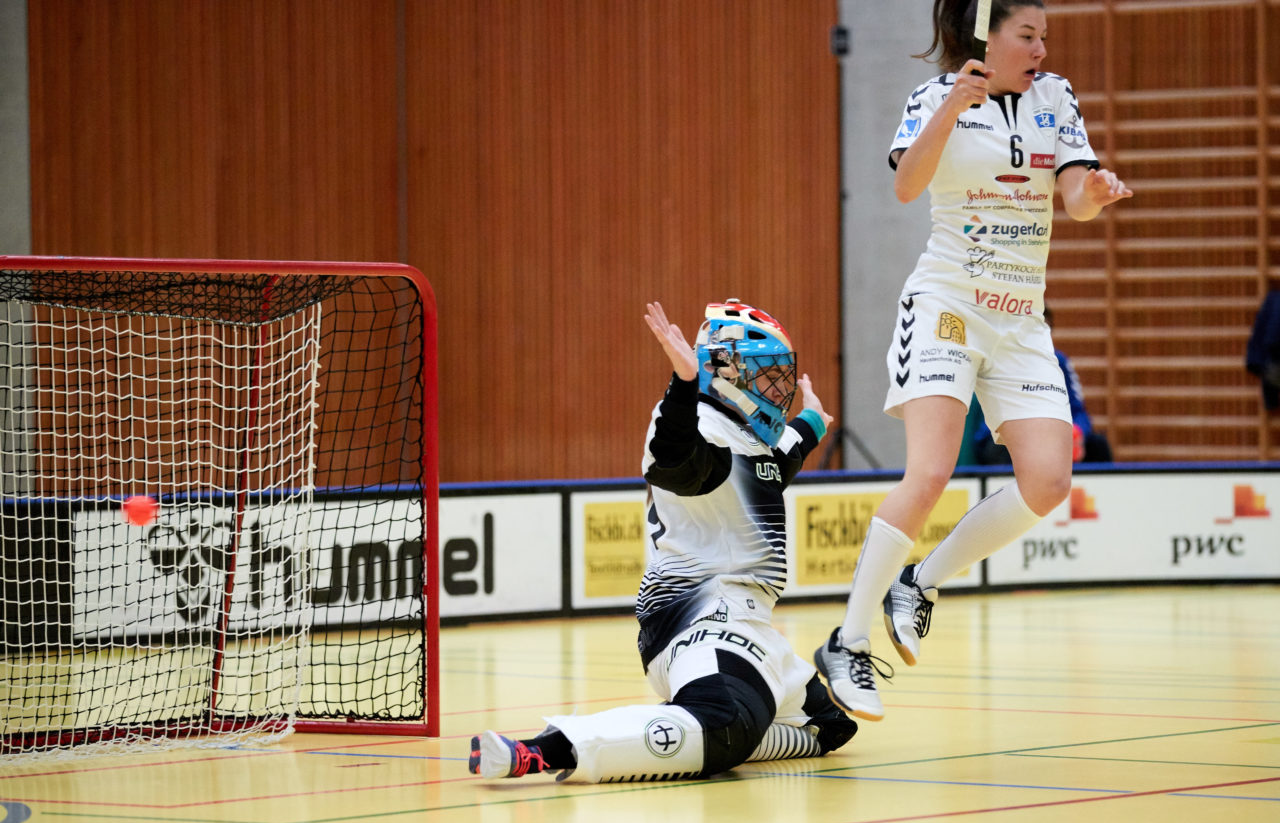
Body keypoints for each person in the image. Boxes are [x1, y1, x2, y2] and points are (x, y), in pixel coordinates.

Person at [813, 0, 1133, 721]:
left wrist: (1098, 191)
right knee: (930, 472)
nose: (1042, 48)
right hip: (949, 303)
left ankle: (919, 582)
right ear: (989, 34)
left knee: (1049, 480)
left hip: (1021, 318)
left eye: (1045, 36)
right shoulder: (935, 96)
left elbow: (1075, 196)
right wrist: (953, 106)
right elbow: (904, 185)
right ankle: (847, 641)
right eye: (1028, 34)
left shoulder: (1057, 98)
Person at [470, 299, 857, 782]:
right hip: (702, 623)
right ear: (727, 370)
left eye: (781, 376)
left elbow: (777, 462)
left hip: (751, 626)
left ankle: (707, 730)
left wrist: (813, 422)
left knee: (830, 727)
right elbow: (674, 459)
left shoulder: (745, 436)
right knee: (724, 725)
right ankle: (548, 748)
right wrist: (683, 382)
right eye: (767, 375)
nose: (778, 390)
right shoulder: (696, 425)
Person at [971, 306, 1112, 465]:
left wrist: (1077, 431)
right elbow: (993, 418)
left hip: (1051, 434)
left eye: (1044, 329)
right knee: (1001, 450)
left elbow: (1078, 410)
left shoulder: (1060, 362)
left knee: (1098, 446)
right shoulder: (1001, 360)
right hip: (1007, 437)